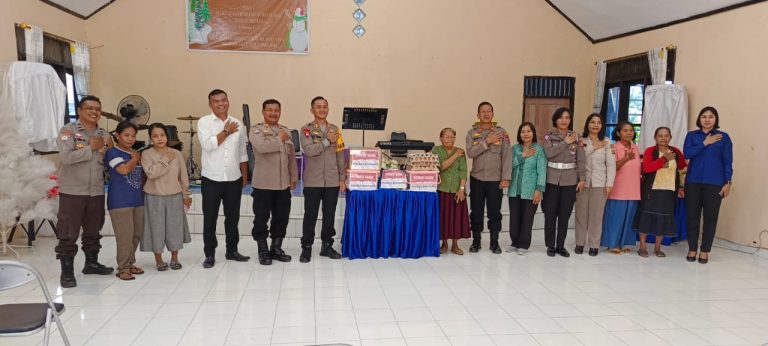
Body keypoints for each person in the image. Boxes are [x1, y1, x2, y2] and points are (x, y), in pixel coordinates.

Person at [54, 95, 114, 288]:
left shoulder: (105, 135)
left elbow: (109, 160)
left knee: (93, 229)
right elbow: (66, 158)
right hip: (73, 191)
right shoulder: (68, 131)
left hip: (96, 191)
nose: (94, 112)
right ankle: (67, 273)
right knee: (68, 232)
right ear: (79, 111)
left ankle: (91, 263)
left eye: (98, 109)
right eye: (90, 108)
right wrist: (90, 148)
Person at [197, 89, 250, 268]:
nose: (221, 104)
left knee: (233, 218)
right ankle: (209, 254)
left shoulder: (238, 123)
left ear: (228, 101)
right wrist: (227, 131)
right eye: (216, 101)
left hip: (233, 178)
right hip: (211, 178)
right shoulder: (204, 122)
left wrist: (244, 175)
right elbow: (208, 145)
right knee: (210, 219)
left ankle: (232, 251)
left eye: (223, 100)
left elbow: (242, 151)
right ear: (210, 104)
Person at [250, 99, 298, 265]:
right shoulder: (256, 130)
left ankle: (276, 248)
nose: (273, 113)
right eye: (269, 110)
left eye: (276, 110)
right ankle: (263, 250)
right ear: (263, 112)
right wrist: (279, 139)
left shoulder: (286, 131)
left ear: (280, 112)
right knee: (261, 218)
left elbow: (291, 157)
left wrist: (293, 177)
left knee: (281, 217)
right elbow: (262, 147)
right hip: (263, 184)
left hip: (283, 184)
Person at [298, 96, 345, 263]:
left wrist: (342, 178)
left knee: (329, 215)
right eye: (318, 107)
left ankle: (327, 246)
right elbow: (309, 150)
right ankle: (306, 247)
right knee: (310, 215)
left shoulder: (335, 130)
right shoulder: (306, 129)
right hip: (313, 180)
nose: (322, 109)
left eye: (325, 106)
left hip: (332, 180)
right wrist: (327, 141)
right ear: (312, 110)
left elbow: (340, 155)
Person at [684, 106, 733, 264]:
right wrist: (705, 143)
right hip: (693, 181)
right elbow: (687, 154)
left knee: (710, 217)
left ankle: (705, 250)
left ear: (716, 119)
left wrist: (728, 182)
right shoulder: (692, 136)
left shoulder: (724, 137)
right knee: (692, 216)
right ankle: (692, 248)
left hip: (715, 183)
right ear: (699, 119)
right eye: (704, 116)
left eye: (711, 116)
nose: (707, 119)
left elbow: (727, 161)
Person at [141, 123, 192, 270]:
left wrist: (185, 195)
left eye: (162, 135)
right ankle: (159, 260)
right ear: (151, 139)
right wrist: (164, 160)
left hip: (174, 196)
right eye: (155, 136)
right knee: (156, 228)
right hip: (154, 197)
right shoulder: (146, 154)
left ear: (167, 136)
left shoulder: (176, 153)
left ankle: (175, 259)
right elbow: (151, 173)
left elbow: (183, 176)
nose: (159, 139)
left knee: (174, 228)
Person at [465, 102, 512, 254]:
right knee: (476, 211)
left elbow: (507, 156)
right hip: (477, 178)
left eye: (489, 111)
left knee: (494, 212)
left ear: (493, 114)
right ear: (478, 115)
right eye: (483, 111)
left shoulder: (502, 132)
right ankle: (476, 241)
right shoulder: (472, 133)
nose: (486, 114)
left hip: (495, 179)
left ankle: (494, 242)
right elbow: (470, 153)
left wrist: (505, 177)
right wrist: (486, 142)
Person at [542, 107, 586, 257]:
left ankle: (560, 245)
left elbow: (581, 160)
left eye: (567, 117)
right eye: (561, 117)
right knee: (550, 214)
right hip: (551, 179)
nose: (564, 120)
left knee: (564, 214)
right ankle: (550, 245)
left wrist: (582, 179)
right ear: (555, 120)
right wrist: (565, 143)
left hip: (570, 180)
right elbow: (549, 154)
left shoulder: (576, 137)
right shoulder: (548, 136)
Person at [636, 127, 686, 258]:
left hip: (669, 191)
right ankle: (642, 247)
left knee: (663, 220)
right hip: (651, 191)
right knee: (646, 219)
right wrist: (663, 159)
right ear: (655, 138)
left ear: (670, 137)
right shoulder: (650, 151)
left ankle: (657, 248)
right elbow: (647, 168)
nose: (663, 138)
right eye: (660, 136)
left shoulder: (676, 152)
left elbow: (682, 167)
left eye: (666, 135)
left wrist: (682, 185)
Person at [104, 121, 144, 281]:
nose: (130, 139)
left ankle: (130, 263)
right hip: (120, 202)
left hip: (138, 200)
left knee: (136, 235)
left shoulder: (133, 153)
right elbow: (124, 170)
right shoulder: (112, 153)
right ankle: (123, 268)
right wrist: (135, 159)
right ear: (117, 135)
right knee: (124, 237)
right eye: (126, 135)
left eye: (133, 136)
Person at [574, 114, 615, 257]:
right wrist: (594, 148)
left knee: (596, 216)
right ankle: (579, 243)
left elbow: (611, 165)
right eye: (592, 122)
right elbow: (578, 159)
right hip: (582, 183)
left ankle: (594, 245)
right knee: (581, 215)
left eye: (599, 122)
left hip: (600, 183)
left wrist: (609, 184)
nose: (596, 125)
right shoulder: (580, 141)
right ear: (587, 124)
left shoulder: (607, 142)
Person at [506, 122, 546, 255]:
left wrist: (539, 190)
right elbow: (509, 165)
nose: (526, 134)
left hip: (531, 191)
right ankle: (514, 242)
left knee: (527, 219)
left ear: (533, 133)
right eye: (523, 132)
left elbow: (542, 171)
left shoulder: (538, 150)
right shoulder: (515, 149)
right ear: (519, 134)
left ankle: (523, 244)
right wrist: (523, 155)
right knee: (514, 218)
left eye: (529, 131)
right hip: (514, 190)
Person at [601, 121, 641, 254]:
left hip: (634, 189)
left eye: (631, 130)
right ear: (618, 133)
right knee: (615, 218)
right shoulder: (614, 147)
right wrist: (626, 158)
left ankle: (624, 243)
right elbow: (612, 167)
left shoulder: (635, 147)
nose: (629, 133)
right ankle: (612, 244)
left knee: (629, 218)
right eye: (625, 130)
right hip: (618, 188)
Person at [434, 128, 470, 255]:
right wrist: (455, 156)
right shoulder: (436, 150)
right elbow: (440, 167)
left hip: (457, 190)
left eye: (452, 137)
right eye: (447, 136)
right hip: (441, 189)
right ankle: (444, 244)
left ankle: (455, 245)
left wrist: (461, 189)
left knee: (456, 218)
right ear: (441, 138)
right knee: (443, 217)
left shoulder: (461, 151)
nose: (450, 139)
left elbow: (463, 172)